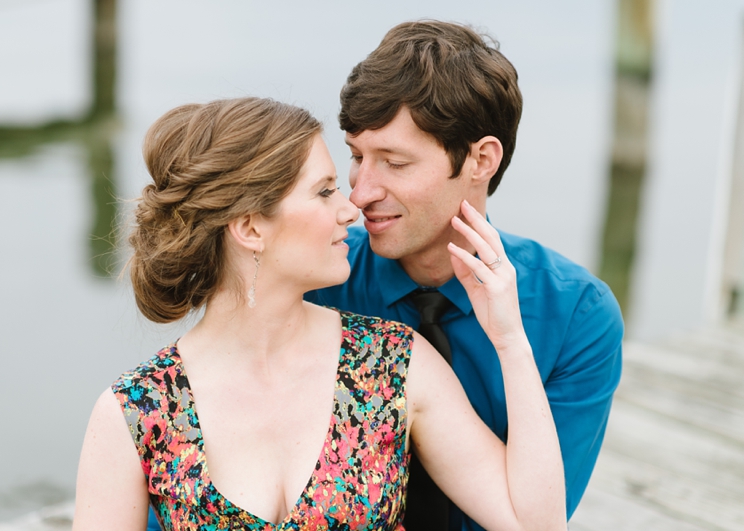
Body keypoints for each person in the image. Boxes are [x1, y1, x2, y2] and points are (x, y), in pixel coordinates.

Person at [73, 97, 567, 531]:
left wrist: (509, 340)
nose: (351, 207)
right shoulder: (136, 411)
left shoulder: (392, 362)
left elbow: (535, 524)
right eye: (325, 190)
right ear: (249, 227)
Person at [306, 20, 625, 531]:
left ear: (481, 159)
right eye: (357, 156)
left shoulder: (577, 316)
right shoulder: (320, 277)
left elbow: (538, 518)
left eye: (395, 162)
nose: (360, 193)